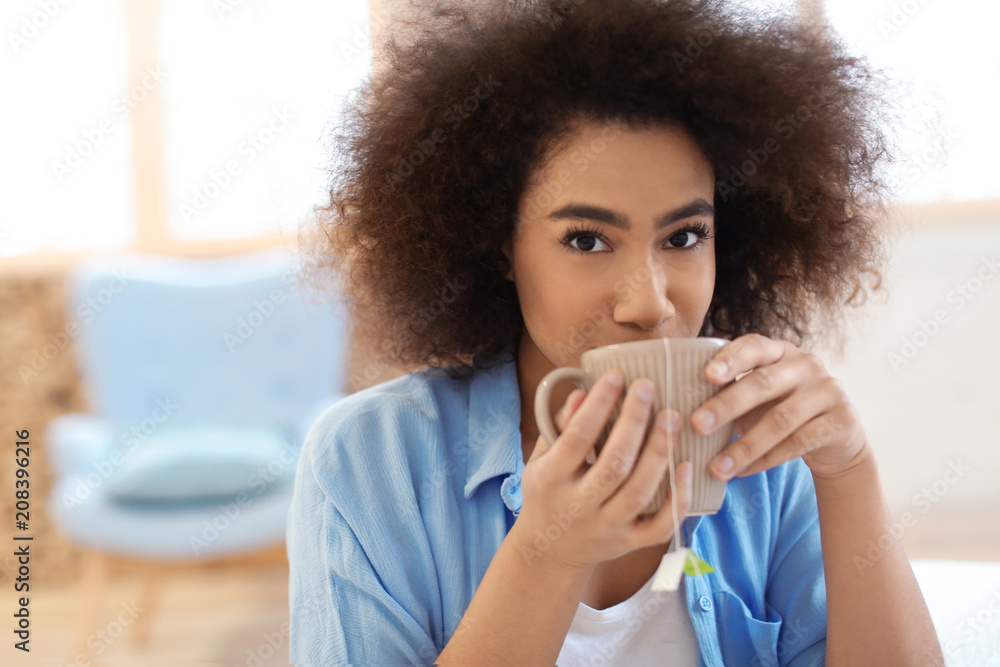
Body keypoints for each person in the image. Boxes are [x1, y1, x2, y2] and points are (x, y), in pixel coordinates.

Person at [287, 0, 944, 664]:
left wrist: (850, 472)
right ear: (501, 248)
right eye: (587, 239)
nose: (649, 302)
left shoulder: (767, 454)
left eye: (685, 235)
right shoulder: (369, 461)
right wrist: (547, 556)